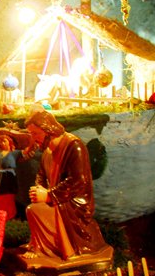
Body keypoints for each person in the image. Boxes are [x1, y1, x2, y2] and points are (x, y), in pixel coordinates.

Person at [22, 107, 112, 265]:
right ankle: (43, 247)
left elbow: (78, 181)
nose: (33, 139)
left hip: (72, 203)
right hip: (58, 198)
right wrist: (39, 189)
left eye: (35, 134)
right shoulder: (48, 151)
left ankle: (45, 249)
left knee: (33, 211)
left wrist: (49, 195)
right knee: (34, 208)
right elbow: (41, 175)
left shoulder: (74, 146)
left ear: (48, 130)